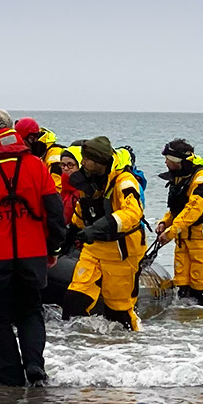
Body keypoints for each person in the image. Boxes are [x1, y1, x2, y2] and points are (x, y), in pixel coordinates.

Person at [0, 109, 67, 386]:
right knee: (31, 311)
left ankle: (10, 375)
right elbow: (55, 213)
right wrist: (53, 250)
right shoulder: (36, 166)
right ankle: (34, 367)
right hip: (32, 255)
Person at [61, 136, 148, 330]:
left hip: (121, 251)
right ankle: (76, 348)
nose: (82, 162)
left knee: (118, 312)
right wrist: (70, 234)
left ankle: (129, 349)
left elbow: (133, 213)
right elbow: (82, 211)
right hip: (95, 248)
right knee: (74, 299)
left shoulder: (124, 182)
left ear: (99, 161)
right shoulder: (88, 179)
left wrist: (98, 228)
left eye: (86, 159)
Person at [155, 139, 203, 305]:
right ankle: (186, 324)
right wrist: (165, 223)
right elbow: (178, 208)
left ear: (177, 161)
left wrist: (171, 233)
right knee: (182, 285)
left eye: (168, 159)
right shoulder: (181, 177)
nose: (165, 162)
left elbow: (194, 209)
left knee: (201, 287)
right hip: (184, 237)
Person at [16, 117, 67, 189]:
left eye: (22, 142)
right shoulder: (41, 154)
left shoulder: (54, 155)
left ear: (30, 138)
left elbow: (58, 188)